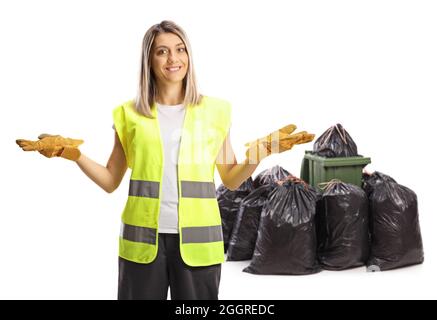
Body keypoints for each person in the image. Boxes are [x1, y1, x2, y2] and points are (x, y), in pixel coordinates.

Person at [15, 20, 314, 300]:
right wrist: (75, 155)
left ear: (189, 56)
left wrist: (259, 153)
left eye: (180, 49)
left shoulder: (215, 112)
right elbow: (110, 180)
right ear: (149, 60)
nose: (173, 58)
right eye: (162, 51)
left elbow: (231, 179)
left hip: (199, 247)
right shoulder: (128, 115)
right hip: (143, 245)